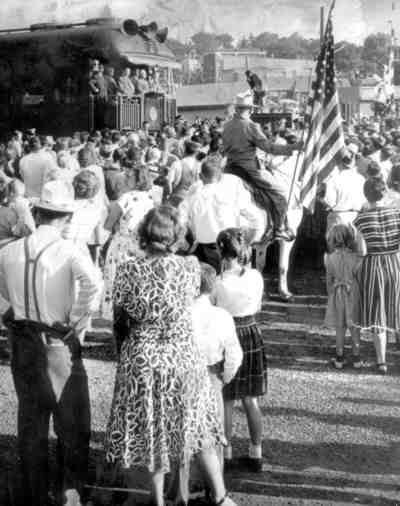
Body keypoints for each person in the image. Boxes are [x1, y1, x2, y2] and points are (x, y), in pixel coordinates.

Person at [104, 205, 235, 506]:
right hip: (183, 356)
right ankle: (220, 496)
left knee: (153, 431)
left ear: (143, 234)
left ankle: (159, 500)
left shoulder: (128, 269)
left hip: (143, 357)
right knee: (197, 424)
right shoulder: (189, 266)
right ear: (176, 235)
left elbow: (120, 320)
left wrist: (126, 351)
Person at [0, 179, 102, 506]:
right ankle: (68, 495)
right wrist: (76, 318)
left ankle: (33, 494)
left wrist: (8, 312)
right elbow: (93, 284)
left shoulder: (9, 250)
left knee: (31, 420)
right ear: (66, 217)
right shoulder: (69, 250)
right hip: (56, 339)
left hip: (22, 340)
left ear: (38, 212)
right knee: (72, 424)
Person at [214, 228, 267, 473]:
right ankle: (256, 452)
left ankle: (226, 453)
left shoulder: (219, 282)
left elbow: (215, 309)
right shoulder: (255, 276)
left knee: (227, 398)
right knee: (250, 398)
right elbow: (257, 305)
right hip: (252, 331)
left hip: (228, 332)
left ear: (220, 251)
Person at [222, 93, 296, 242]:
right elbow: (269, 148)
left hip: (230, 168)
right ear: (250, 109)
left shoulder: (227, 126)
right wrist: (292, 148)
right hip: (249, 169)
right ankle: (279, 228)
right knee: (281, 193)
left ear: (236, 108)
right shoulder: (250, 126)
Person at [179, 159, 265, 273]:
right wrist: (248, 242)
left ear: (200, 176)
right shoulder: (231, 195)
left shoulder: (193, 198)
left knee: (211, 283)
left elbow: (180, 220)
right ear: (220, 177)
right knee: (233, 280)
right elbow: (257, 219)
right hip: (230, 247)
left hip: (209, 248)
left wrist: (185, 243)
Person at [353, 177, 400, 374]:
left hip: (372, 265)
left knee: (377, 313)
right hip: (394, 262)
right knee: (396, 307)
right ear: (385, 192)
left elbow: (362, 250)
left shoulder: (361, 219)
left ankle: (382, 361)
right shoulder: (397, 214)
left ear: (366, 195)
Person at [101, 165, 155, 319]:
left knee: (115, 281)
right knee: (134, 283)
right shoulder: (151, 199)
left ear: (139, 180)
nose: (125, 179)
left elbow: (108, 224)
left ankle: (114, 317)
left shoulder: (126, 198)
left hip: (122, 246)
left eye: (129, 177)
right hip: (140, 247)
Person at [324, 224, 363, 369]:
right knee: (354, 327)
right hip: (353, 292)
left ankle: (339, 358)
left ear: (332, 240)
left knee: (340, 327)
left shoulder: (329, 258)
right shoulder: (356, 258)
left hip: (337, 294)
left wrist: (331, 296)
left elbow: (328, 283)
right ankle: (357, 358)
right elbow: (359, 278)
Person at [19, 136, 57, 200]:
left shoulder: (23, 160)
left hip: (28, 197)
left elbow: (23, 178)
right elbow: (55, 177)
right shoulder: (48, 157)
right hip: (43, 198)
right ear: (44, 145)